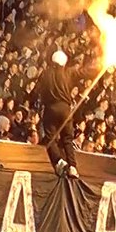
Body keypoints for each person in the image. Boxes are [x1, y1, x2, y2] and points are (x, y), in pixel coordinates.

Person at [36, 49, 79, 178]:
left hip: (50, 108)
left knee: (50, 137)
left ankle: (59, 160)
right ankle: (72, 166)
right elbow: (83, 72)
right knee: (67, 138)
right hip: (65, 109)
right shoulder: (67, 72)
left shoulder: (46, 74)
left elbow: (39, 90)